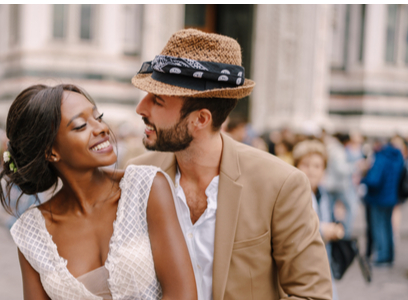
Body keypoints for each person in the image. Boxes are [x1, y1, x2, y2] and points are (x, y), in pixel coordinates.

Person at [127, 29, 332, 300]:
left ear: (201, 119)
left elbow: (312, 294)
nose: (141, 108)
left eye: (158, 100)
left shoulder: (281, 185)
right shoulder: (136, 175)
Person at [0, 84, 197, 300]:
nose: (102, 128)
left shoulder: (147, 187)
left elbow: (183, 295)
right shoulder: (32, 233)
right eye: (81, 126)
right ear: (51, 152)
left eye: (98, 117)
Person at [293, 140, 344, 300]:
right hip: (301, 271)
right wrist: (323, 230)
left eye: (317, 166)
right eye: (306, 165)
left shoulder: (324, 194)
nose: (311, 171)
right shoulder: (292, 194)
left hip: (323, 267)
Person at [361, 138, 404, 266]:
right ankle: (389, 255)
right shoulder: (397, 157)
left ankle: (382, 256)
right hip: (391, 197)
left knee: (379, 227)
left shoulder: (380, 158)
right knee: (387, 227)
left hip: (378, 198)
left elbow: (374, 180)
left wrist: (363, 179)